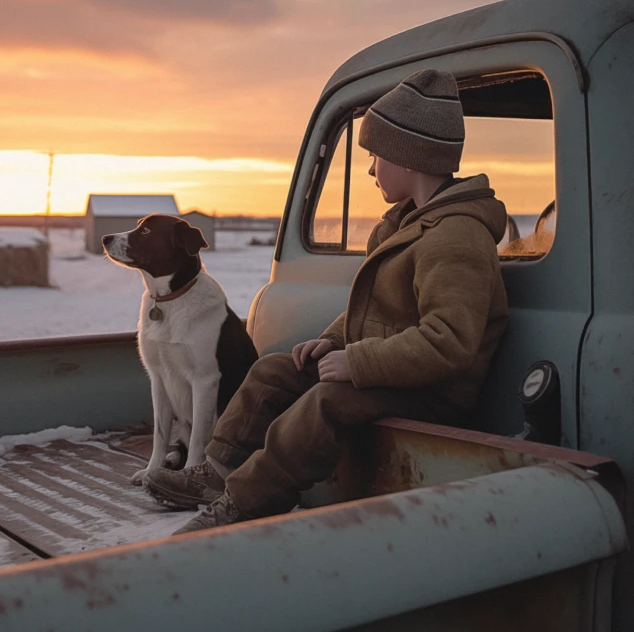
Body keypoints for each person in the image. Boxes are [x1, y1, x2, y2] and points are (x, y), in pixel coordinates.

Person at [145, 68, 511, 533]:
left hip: (435, 391)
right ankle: (214, 473)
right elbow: (375, 311)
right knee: (275, 371)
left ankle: (244, 501)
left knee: (327, 400)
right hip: (395, 372)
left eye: (378, 155)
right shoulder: (407, 224)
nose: (372, 168)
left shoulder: (455, 237)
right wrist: (332, 341)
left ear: (410, 157)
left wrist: (356, 362)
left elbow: (449, 343)